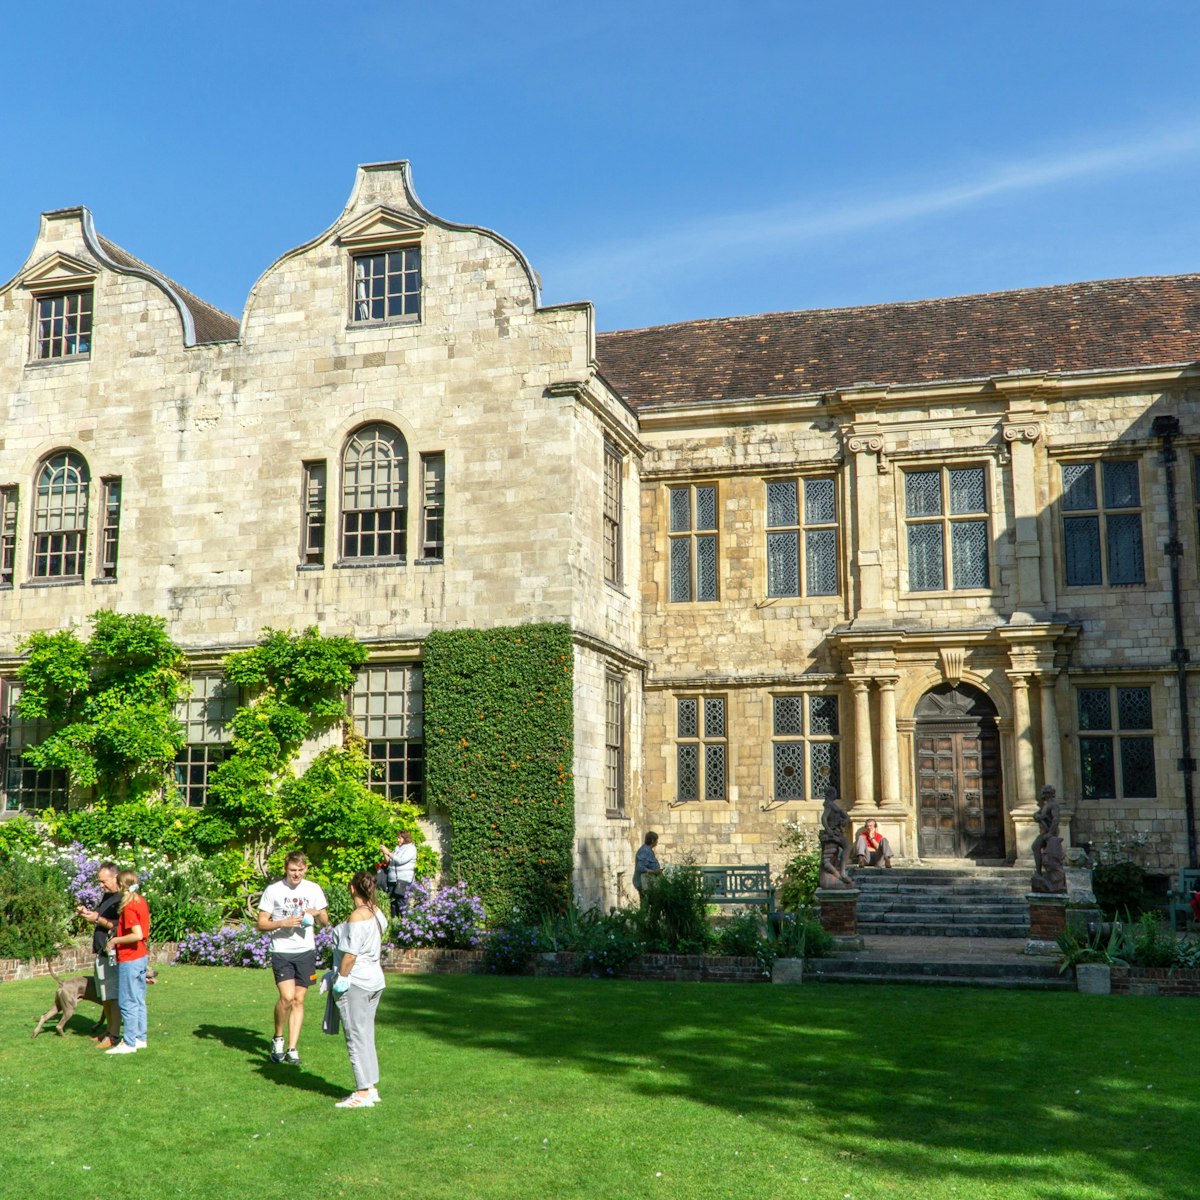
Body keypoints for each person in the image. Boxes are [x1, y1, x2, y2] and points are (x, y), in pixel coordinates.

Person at [256, 851, 329, 1065]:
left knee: (299, 1000)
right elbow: (261, 923)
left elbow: (325, 921)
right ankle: (278, 1038)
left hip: (306, 951)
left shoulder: (313, 889)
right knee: (287, 998)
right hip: (282, 951)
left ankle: (292, 1048)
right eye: (292, 870)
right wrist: (283, 923)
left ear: (305, 869)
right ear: (286, 869)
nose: (296, 874)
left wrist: (317, 913)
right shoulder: (274, 890)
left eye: (299, 870)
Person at [330, 870, 389, 1109]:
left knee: (355, 1036)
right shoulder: (377, 913)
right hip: (375, 980)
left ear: (352, 888)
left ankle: (362, 1092)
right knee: (365, 1034)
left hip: (358, 982)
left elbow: (350, 955)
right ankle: (370, 1087)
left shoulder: (357, 917)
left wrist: (341, 978)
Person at [104, 870, 150, 1055]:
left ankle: (129, 1042)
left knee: (127, 1001)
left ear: (122, 886)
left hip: (131, 958)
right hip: (141, 957)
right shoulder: (140, 901)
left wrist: (114, 941)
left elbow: (137, 934)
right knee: (138, 1000)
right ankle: (140, 1038)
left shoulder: (130, 906)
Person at [77, 861, 122, 1048]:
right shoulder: (108, 896)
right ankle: (109, 1030)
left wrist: (98, 919)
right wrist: (89, 915)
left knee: (113, 997)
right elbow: (102, 920)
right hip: (102, 951)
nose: (101, 885)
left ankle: (114, 1036)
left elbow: (119, 925)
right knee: (105, 996)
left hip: (113, 953)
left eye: (104, 881)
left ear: (115, 877)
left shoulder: (122, 899)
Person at [378, 831, 417, 917]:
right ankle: (395, 923)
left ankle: (405, 923)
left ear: (405, 838)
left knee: (401, 902)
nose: (397, 839)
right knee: (393, 903)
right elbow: (389, 861)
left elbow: (400, 860)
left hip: (403, 880)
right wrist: (385, 853)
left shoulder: (411, 848)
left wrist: (388, 852)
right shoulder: (397, 848)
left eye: (399, 838)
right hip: (392, 880)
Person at [633, 832, 662, 905]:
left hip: (648, 882)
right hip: (643, 883)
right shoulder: (644, 850)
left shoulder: (648, 850)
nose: (657, 842)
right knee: (646, 904)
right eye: (656, 840)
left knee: (651, 903)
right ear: (652, 840)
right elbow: (640, 867)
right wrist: (653, 872)